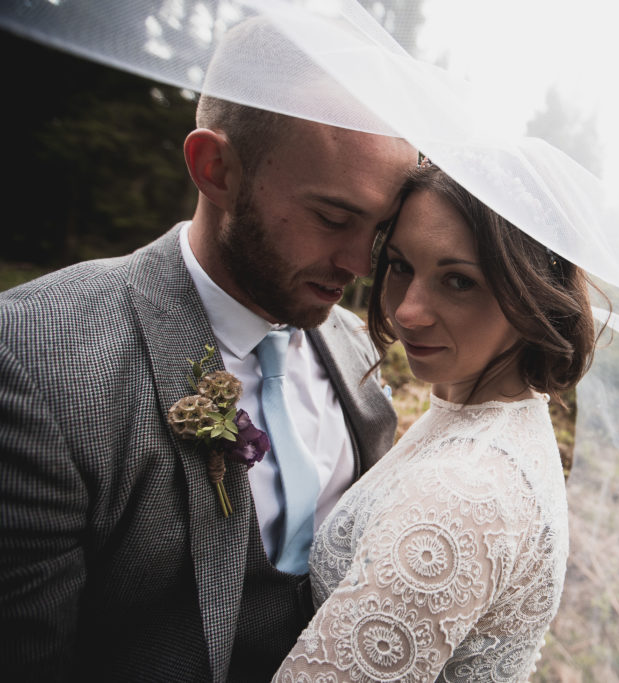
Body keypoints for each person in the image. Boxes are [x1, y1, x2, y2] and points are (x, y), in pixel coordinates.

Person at [0, 69, 417, 683]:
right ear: (215, 169)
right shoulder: (37, 357)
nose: (358, 266)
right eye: (332, 217)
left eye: (378, 232)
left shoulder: (352, 345)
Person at [273, 162, 603, 681]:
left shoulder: (465, 490)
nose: (409, 311)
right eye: (401, 266)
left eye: (458, 281)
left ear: (531, 293)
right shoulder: (492, 420)